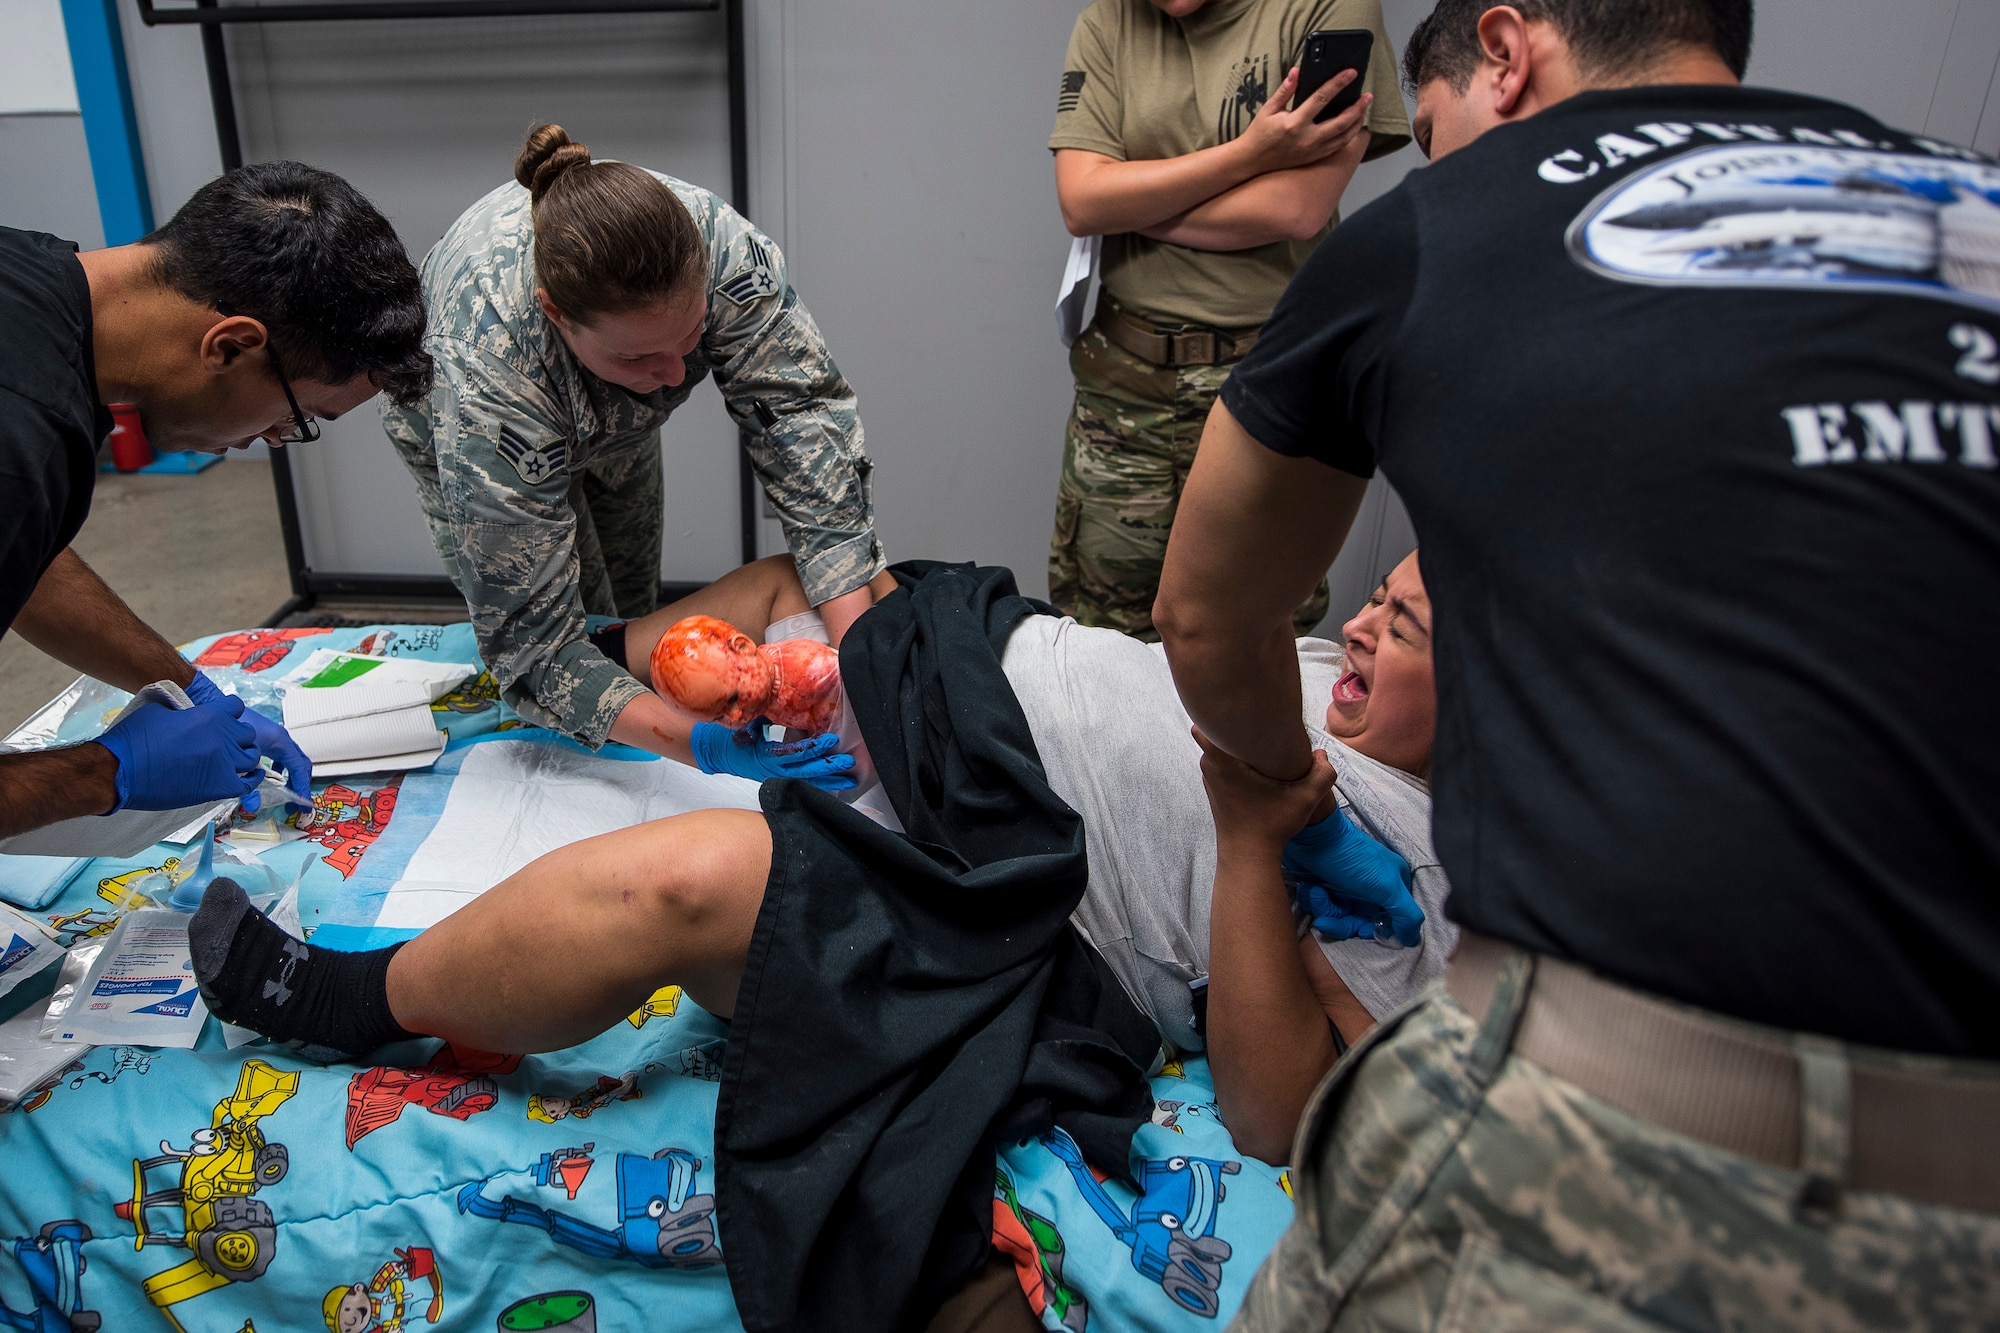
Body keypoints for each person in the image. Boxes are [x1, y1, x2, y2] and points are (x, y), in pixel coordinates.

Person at [1151, 0, 2000, 1326]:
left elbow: (1206, 617)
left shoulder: (1446, 227)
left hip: (1642, 1115)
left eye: (1431, 138)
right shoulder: (1974, 196)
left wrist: (1267, 796)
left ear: (1506, 49)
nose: (1439, 171)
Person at [188, 553, 1442, 1328]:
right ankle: (558, 671)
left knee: (688, 881)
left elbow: (1276, 1113)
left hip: (1007, 876)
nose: (1371, 630)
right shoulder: (1323, 672)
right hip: (954, 694)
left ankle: (345, 997)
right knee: (789, 583)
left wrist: (1254, 836)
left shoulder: (1407, 865)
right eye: (1379, 602)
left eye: (1413, 631)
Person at [382, 123, 888, 773]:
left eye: (690, 339)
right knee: (585, 646)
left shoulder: (724, 254)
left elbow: (803, 431)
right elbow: (541, 649)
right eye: (642, 354)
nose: (677, 377)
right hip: (480, 438)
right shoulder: (487, 371)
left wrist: (859, 662)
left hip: (614, 428)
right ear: (556, 311)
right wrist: (705, 748)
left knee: (635, 617)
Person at [0, 164, 431, 839]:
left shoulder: (29, 274)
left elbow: (27, 560)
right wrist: (106, 772)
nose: (276, 440)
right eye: (298, 417)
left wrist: (183, 686)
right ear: (231, 344)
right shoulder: (21, 441)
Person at [1047, 0, 1410, 640]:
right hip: (1124, 383)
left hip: (1265, 378)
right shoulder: (1108, 20)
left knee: (1253, 637)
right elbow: (1082, 200)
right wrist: (1252, 152)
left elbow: (1294, 209)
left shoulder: (1329, 9)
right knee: (1103, 639)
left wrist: (1132, 201)